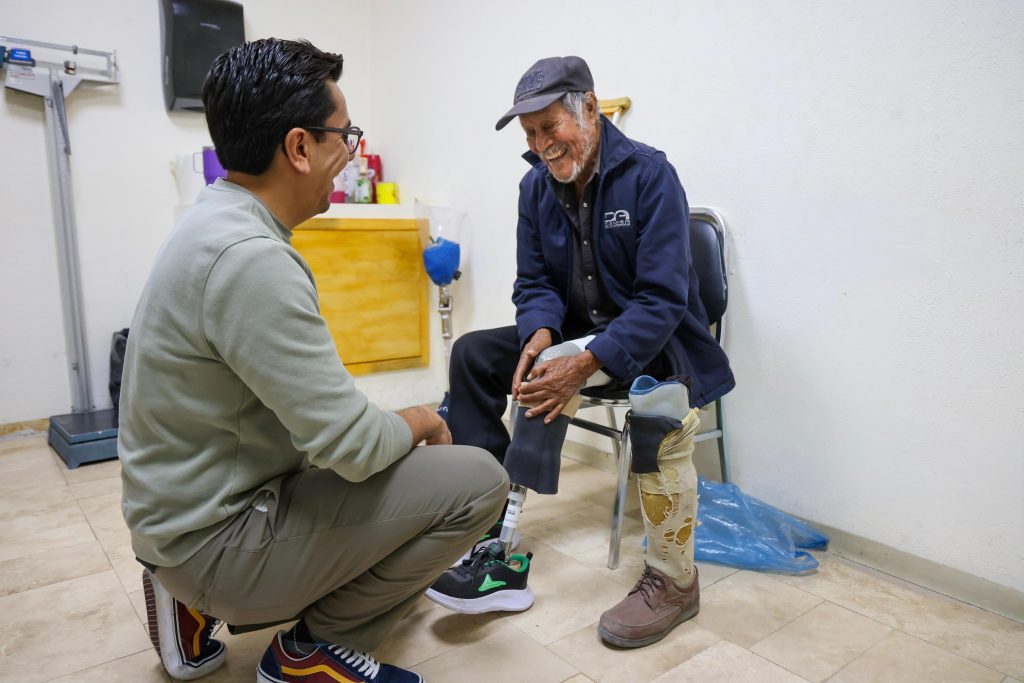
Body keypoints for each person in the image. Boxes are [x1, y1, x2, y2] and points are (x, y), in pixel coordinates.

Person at [118, 38, 508, 683]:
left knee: (388, 454)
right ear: (299, 148)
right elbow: (352, 446)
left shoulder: (211, 219)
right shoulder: (253, 260)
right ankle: (312, 649)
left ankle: (185, 592)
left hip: (178, 516)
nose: (349, 154)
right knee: (477, 481)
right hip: (213, 541)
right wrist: (424, 419)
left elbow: (316, 419)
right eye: (344, 136)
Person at [429, 56, 735, 648]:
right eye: (530, 134)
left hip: (658, 340)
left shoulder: (650, 175)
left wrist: (586, 362)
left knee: (658, 403)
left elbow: (663, 298)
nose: (541, 145)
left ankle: (675, 581)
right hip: (574, 336)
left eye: (550, 127)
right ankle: (488, 530)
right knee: (473, 354)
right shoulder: (534, 188)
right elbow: (535, 283)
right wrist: (540, 332)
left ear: (589, 108)